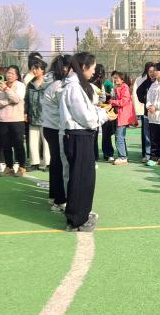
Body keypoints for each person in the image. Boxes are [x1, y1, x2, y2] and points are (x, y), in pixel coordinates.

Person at [60, 52, 107, 232]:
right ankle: (77, 220)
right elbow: (85, 117)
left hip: (80, 135)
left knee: (83, 177)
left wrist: (100, 113)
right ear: (83, 67)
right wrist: (102, 116)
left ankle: (79, 216)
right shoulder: (73, 87)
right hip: (78, 135)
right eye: (92, 68)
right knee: (81, 179)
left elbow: (88, 111)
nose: (94, 72)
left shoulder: (77, 85)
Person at [42, 55, 69, 211]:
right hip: (55, 128)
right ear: (65, 68)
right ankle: (59, 199)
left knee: (55, 162)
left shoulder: (52, 83)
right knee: (59, 163)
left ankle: (54, 196)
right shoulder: (59, 86)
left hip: (49, 127)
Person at [0, 65, 27, 177]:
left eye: (12, 73)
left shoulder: (20, 85)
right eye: (8, 73)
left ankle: (22, 167)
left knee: (18, 144)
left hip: (17, 119)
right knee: (6, 145)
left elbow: (17, 99)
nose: (9, 75)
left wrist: (6, 90)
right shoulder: (0, 85)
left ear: (17, 76)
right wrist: (8, 101)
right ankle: (9, 167)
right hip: (3, 119)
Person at [25, 59, 51, 170]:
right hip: (33, 116)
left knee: (46, 141)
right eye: (33, 68)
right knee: (33, 141)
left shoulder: (49, 83)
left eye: (37, 68)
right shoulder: (30, 84)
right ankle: (34, 163)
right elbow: (26, 99)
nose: (34, 71)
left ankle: (48, 163)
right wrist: (25, 112)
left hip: (46, 117)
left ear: (43, 70)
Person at [108, 71, 135, 165]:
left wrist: (113, 102)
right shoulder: (118, 88)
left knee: (119, 137)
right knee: (120, 137)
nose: (115, 80)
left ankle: (122, 157)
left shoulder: (125, 88)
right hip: (119, 115)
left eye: (117, 78)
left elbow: (124, 101)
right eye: (114, 78)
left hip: (122, 116)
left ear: (122, 80)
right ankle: (124, 156)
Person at [134, 63, 155, 162]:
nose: (152, 73)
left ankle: (158, 155)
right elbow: (138, 92)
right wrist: (145, 101)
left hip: (158, 115)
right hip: (147, 114)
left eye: (153, 71)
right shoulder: (145, 83)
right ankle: (148, 155)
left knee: (157, 136)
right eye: (150, 71)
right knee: (147, 136)